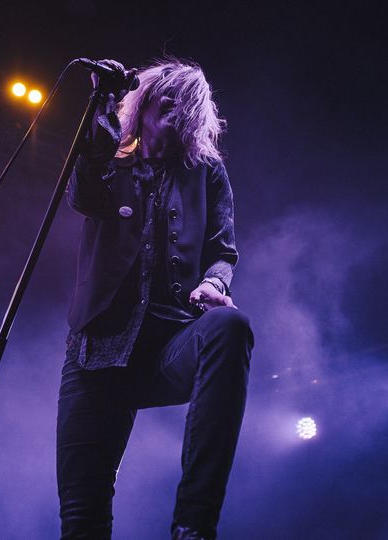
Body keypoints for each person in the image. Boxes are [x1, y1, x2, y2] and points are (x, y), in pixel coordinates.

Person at [57, 57, 254, 540]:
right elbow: (83, 196)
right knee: (82, 519)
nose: (176, 104)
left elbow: (222, 251)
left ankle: (193, 525)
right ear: (142, 101)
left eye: (187, 101)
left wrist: (215, 284)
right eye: (167, 95)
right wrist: (100, 114)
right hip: (98, 353)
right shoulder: (109, 156)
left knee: (229, 327)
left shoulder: (206, 171)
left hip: (171, 344)